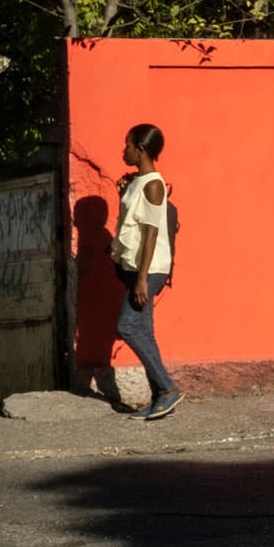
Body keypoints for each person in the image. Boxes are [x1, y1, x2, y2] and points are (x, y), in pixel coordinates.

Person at [113, 123, 183, 422]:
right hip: (136, 266)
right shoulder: (137, 182)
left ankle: (167, 388)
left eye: (127, 145)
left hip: (150, 269)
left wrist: (142, 279)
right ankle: (159, 399)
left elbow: (152, 233)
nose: (123, 150)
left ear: (141, 150)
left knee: (127, 327)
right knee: (145, 330)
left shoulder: (154, 184)